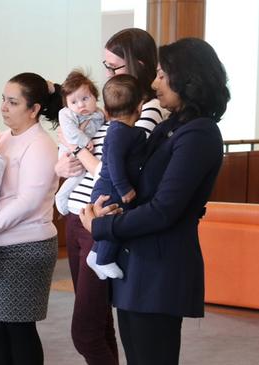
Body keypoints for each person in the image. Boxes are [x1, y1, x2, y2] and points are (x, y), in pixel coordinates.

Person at [80, 37, 230, 365]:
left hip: (161, 269)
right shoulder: (173, 125)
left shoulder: (200, 133)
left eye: (162, 75)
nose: (154, 82)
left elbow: (164, 210)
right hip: (138, 264)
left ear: (188, 79)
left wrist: (103, 225)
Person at [54, 28, 169, 365]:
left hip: (102, 222)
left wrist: (76, 146)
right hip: (77, 217)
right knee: (100, 324)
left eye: (114, 67)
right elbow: (87, 159)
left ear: (138, 64)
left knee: (85, 331)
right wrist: (66, 163)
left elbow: (116, 169)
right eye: (105, 65)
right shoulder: (109, 110)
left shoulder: (149, 109)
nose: (107, 75)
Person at [0, 72, 62, 364]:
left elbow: (28, 201)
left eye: (12, 102)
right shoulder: (3, 139)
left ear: (34, 110)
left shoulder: (41, 145)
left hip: (26, 247)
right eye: (3, 100)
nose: (3, 108)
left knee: (18, 326)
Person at [86, 75, 146, 280]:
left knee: (113, 219)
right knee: (117, 220)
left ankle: (95, 254)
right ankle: (104, 259)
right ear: (140, 106)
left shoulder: (125, 131)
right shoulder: (119, 132)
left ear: (108, 111)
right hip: (111, 187)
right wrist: (124, 189)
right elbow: (114, 164)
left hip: (110, 187)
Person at [54, 70, 105, 216]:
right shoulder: (66, 114)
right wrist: (85, 141)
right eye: (74, 102)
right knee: (76, 174)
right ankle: (61, 197)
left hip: (86, 156)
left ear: (95, 97)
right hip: (69, 153)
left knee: (81, 173)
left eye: (85, 98)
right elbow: (70, 133)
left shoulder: (99, 114)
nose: (81, 105)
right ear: (67, 104)